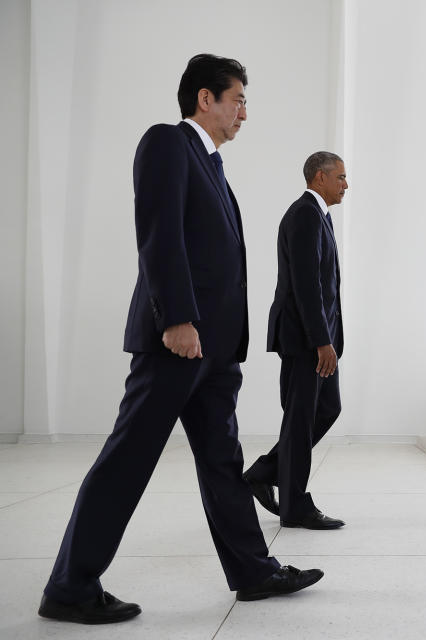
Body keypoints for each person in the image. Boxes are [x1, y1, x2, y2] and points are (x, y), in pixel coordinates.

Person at [38, 54, 322, 625]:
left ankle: (254, 570)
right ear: (204, 99)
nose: (244, 111)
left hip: (213, 352)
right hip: (178, 341)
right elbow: (159, 231)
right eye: (237, 98)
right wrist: (176, 318)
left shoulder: (212, 165)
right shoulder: (168, 142)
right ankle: (70, 587)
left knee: (223, 461)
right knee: (128, 459)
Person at [243, 152, 347, 530]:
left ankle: (265, 472)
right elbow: (306, 286)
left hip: (316, 337)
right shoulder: (305, 214)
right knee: (301, 420)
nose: (345, 185)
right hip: (305, 339)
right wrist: (322, 341)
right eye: (341, 177)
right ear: (320, 177)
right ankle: (295, 505)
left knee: (325, 410)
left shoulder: (320, 215)